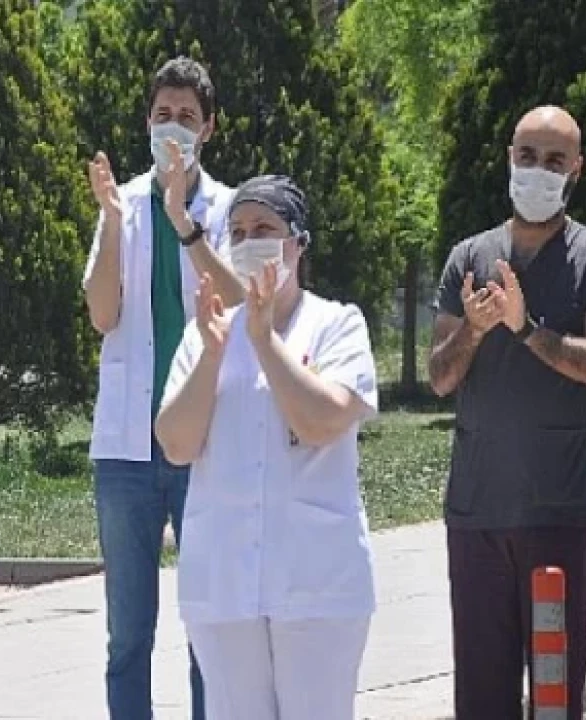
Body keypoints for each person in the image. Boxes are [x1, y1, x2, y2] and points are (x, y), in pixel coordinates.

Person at [428, 105, 586, 719]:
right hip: (477, 517)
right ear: (509, 159)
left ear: (576, 169)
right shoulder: (470, 257)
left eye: (554, 160)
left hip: (557, 516)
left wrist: (524, 329)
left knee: (552, 697)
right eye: (528, 156)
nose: (538, 170)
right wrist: (473, 329)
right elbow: (440, 377)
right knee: (482, 699)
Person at [155, 175, 379, 720]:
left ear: (298, 242)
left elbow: (322, 421)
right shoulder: (204, 334)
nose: (249, 241)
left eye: (264, 229)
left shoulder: (336, 324)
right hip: (224, 583)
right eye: (237, 231)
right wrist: (213, 356)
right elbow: (176, 444)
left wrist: (262, 339)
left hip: (317, 583)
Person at [82, 55, 244, 720]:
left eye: (186, 116)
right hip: (126, 453)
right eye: (162, 115)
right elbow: (103, 315)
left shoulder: (228, 208)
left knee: (208, 629)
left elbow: (239, 302)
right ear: (147, 122)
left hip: (204, 446)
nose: (172, 127)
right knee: (128, 637)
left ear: (208, 128)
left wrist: (184, 221)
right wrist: (110, 221)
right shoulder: (121, 205)